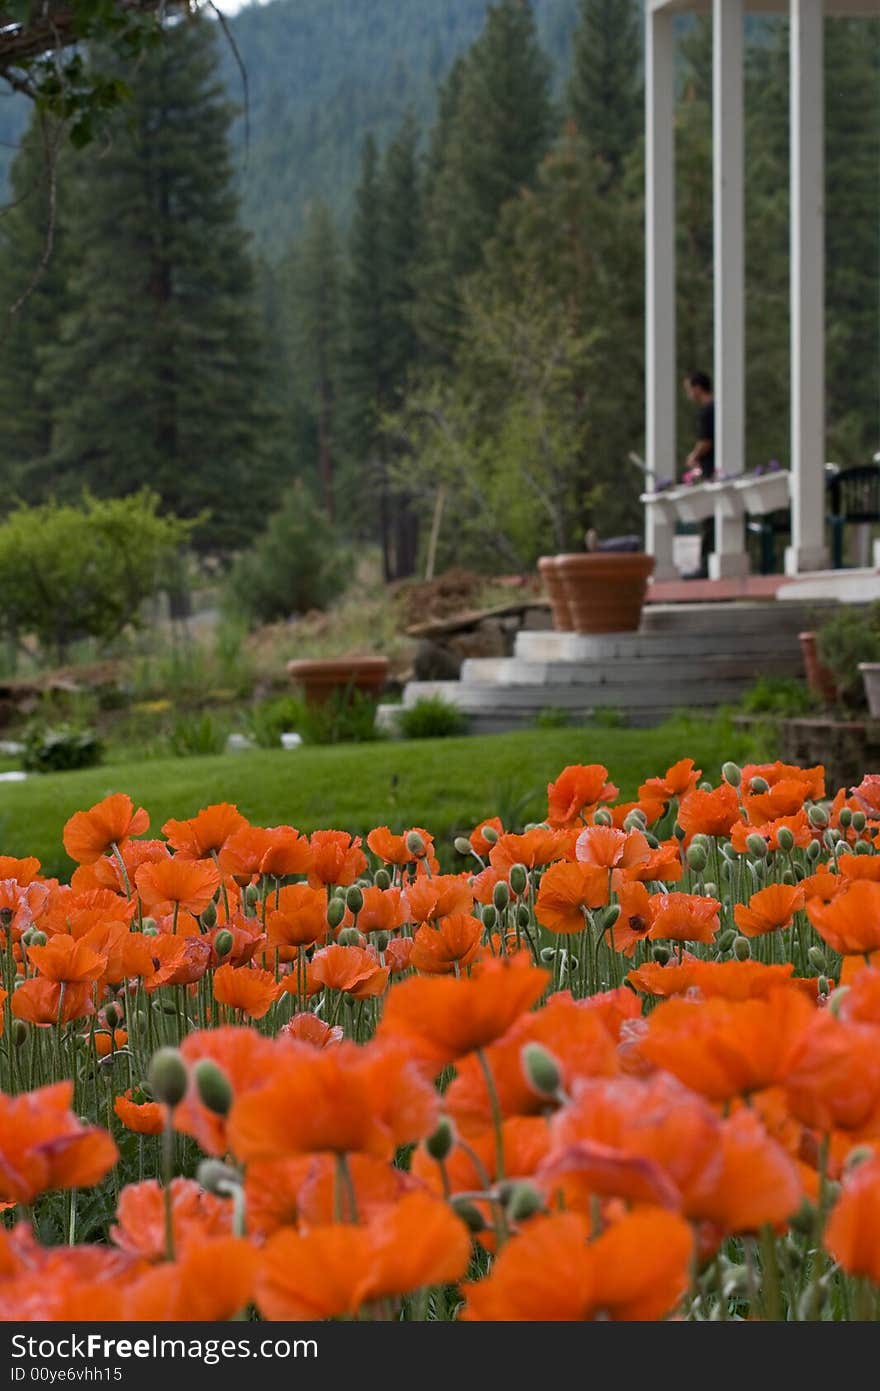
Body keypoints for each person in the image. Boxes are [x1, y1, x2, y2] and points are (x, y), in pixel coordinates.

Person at [683, 370, 715, 577]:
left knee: (708, 518)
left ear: (697, 387)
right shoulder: (717, 408)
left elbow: (706, 441)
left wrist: (693, 456)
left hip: (711, 471)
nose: (688, 394)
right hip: (713, 469)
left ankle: (705, 565)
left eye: (688, 389)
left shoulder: (708, 411)